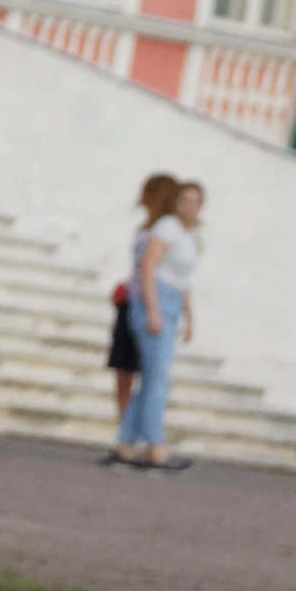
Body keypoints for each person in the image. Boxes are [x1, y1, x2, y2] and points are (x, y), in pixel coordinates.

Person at [111, 179, 203, 472]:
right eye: (184, 200)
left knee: (153, 379)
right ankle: (155, 446)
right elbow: (149, 268)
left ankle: (127, 444)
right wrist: (152, 310)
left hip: (173, 301)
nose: (189, 206)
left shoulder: (189, 235)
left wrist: (189, 316)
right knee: (158, 380)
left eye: (195, 201)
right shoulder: (166, 228)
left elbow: (184, 280)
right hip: (158, 300)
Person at [110, 176, 180, 419]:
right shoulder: (150, 229)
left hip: (144, 303)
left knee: (138, 372)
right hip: (132, 298)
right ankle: (126, 429)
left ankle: (132, 431)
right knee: (124, 372)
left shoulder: (163, 232)